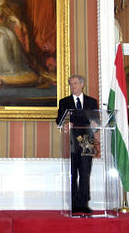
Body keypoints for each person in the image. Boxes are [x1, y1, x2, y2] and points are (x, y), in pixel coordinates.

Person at [56, 75, 98, 214]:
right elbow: (59, 120)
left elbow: (96, 120)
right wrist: (65, 123)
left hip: (87, 139)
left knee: (85, 172)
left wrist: (95, 124)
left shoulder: (92, 102)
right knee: (73, 172)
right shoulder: (64, 102)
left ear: (82, 85)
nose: (72, 86)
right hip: (72, 140)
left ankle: (84, 203)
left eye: (75, 83)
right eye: (70, 84)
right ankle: (74, 203)